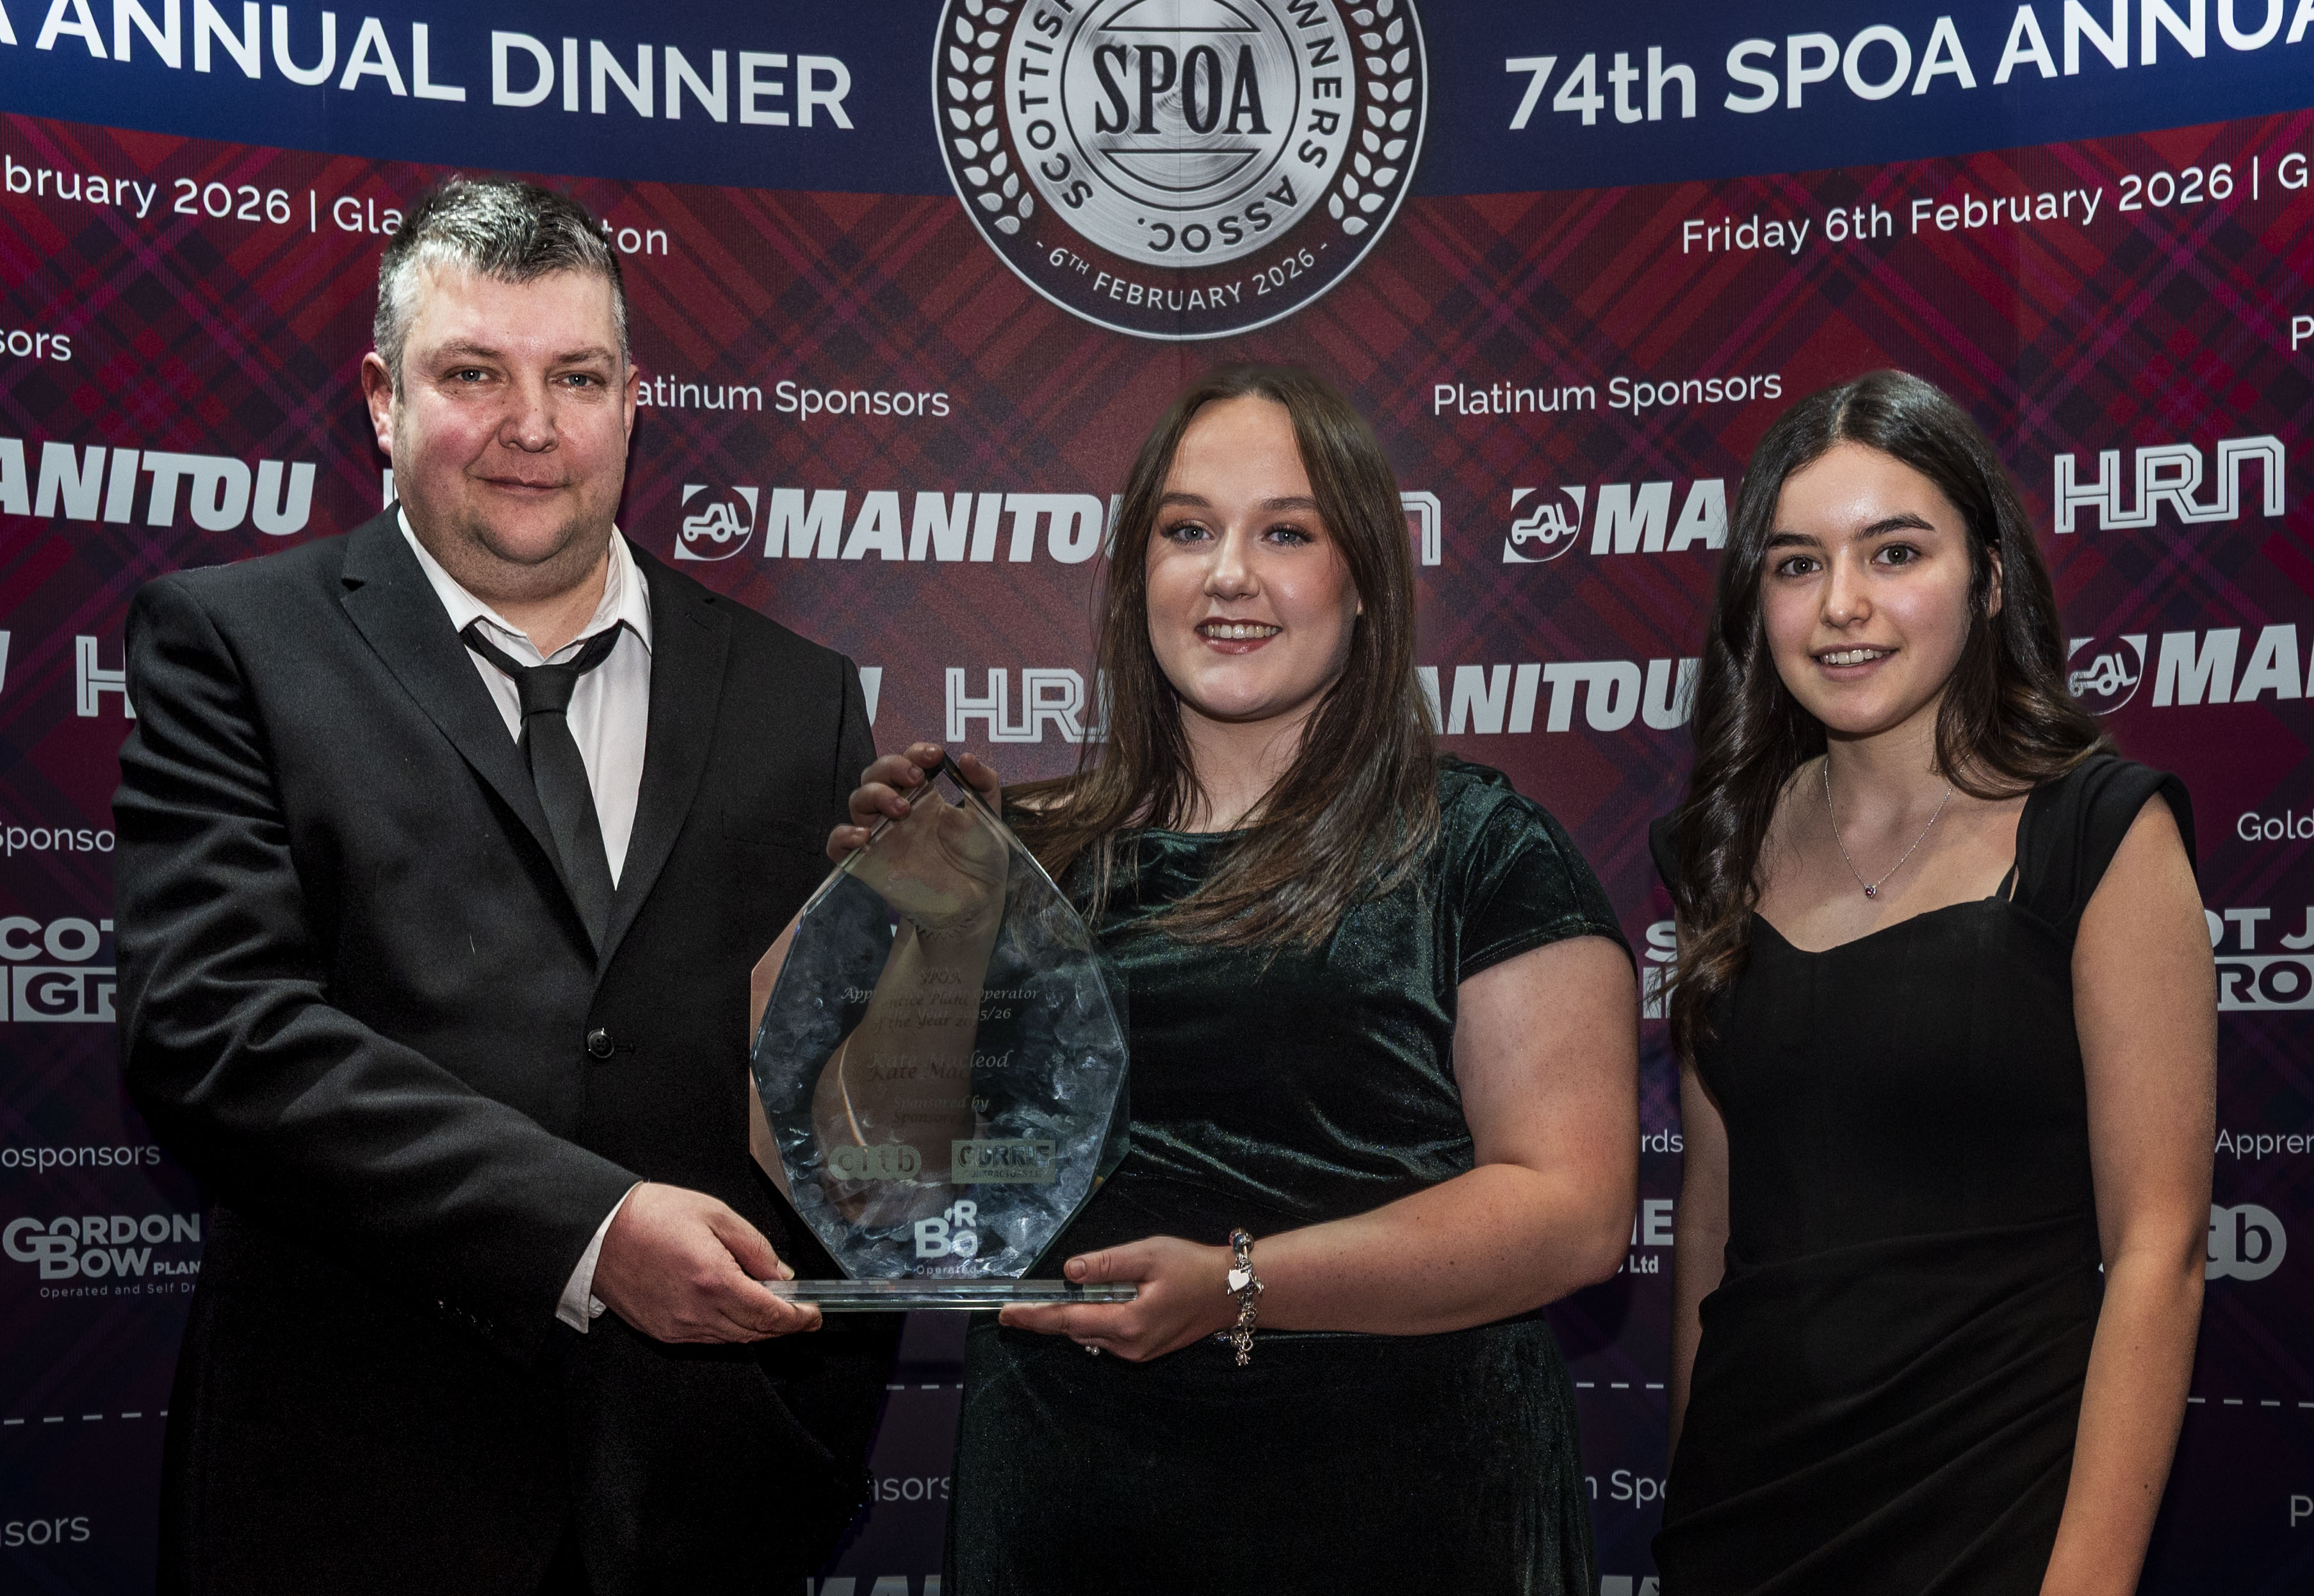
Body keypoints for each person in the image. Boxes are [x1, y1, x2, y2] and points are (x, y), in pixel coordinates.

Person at [113, 178, 895, 1596]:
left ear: (631, 396)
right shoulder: (234, 646)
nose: (533, 426)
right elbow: (212, 1032)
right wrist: (588, 1230)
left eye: (576, 377)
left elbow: (849, 1091)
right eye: (474, 373)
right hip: (352, 1497)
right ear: (381, 398)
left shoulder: (803, 697)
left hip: (709, 1499)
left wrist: (954, 925)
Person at [833, 365, 1641, 1593]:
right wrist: (912, 928)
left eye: (1286, 532)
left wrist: (1239, 1286)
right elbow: (866, 1180)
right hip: (1071, 1499)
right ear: (1134, 578)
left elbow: (1572, 1214)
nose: (1228, 575)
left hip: (1398, 1505)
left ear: (1362, 575)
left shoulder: (1479, 846)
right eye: (1188, 531)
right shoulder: (1022, 851)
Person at [1649, 370, 2215, 1593]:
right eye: (1795, 564)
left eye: (1893, 551)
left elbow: (2158, 1248)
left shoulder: (2100, 833)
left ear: (1989, 575)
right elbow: (1712, 1221)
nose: (1841, 606)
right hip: (1744, 1518)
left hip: (1996, 1515)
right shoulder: (1718, 850)